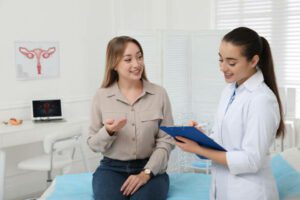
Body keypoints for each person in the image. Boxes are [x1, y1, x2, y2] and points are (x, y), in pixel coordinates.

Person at [176, 27, 285, 200]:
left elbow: (251, 161)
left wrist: (200, 150)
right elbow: (223, 142)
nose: (223, 67)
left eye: (231, 62)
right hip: (222, 189)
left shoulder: (262, 100)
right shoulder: (229, 91)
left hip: (249, 192)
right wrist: (199, 137)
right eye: (220, 60)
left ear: (253, 61)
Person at [87, 36, 174, 200]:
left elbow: (166, 141)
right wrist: (108, 132)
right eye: (128, 59)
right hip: (111, 169)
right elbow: (93, 144)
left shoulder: (159, 94)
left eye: (139, 57)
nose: (137, 64)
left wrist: (146, 173)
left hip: (150, 168)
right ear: (114, 64)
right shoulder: (101, 96)